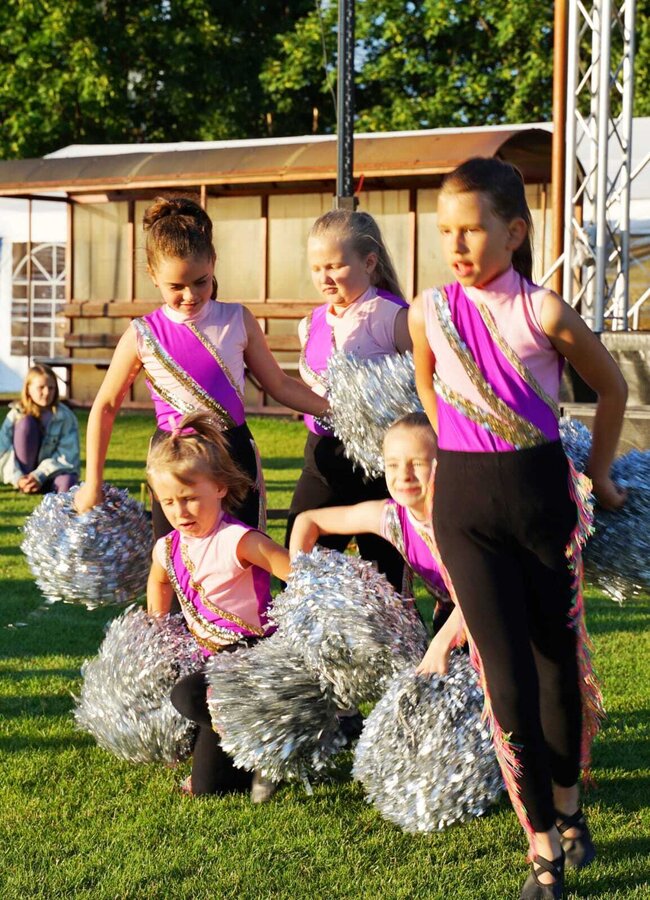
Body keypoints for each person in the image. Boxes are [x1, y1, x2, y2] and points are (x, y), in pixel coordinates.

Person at [409, 157, 627, 900]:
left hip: (541, 507)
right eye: (446, 231)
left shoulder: (544, 312)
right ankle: (542, 847)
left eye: (472, 230)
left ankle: (569, 806)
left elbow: (612, 387)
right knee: (504, 681)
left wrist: (598, 474)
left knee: (554, 667)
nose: (457, 245)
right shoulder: (428, 310)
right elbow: (427, 382)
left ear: (515, 232)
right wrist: (454, 449)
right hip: (464, 513)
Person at [74, 196, 328, 536]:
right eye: (176, 287)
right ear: (152, 275)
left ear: (213, 262)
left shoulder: (237, 319)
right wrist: (93, 483)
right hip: (173, 464)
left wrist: (335, 411)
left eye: (201, 281)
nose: (190, 295)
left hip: (233, 458)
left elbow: (279, 384)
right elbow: (105, 405)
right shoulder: (142, 334)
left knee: (244, 556)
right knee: (176, 561)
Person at [146, 412, 291, 801]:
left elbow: (297, 572)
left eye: (190, 498)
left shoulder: (238, 540)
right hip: (210, 661)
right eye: (169, 502)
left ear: (220, 488)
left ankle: (268, 732)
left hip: (252, 655)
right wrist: (158, 629)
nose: (180, 512)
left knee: (188, 696)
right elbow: (159, 580)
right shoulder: (167, 547)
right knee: (210, 789)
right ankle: (250, 747)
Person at [285, 209, 412, 591]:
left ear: (369, 263)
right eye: (316, 268)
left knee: (387, 577)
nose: (324, 278)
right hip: (324, 457)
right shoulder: (310, 324)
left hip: (382, 464)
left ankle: (398, 630)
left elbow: (425, 387)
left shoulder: (393, 316)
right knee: (301, 572)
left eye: (335, 266)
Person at [289, 412, 453, 627]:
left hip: (483, 615)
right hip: (455, 620)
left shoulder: (460, 520)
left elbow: (480, 594)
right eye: (393, 465)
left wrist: (440, 644)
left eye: (417, 463)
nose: (404, 475)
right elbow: (308, 521)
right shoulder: (393, 517)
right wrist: (301, 583)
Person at [0, 363, 79, 494]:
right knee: (25, 424)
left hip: (52, 474)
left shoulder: (66, 417)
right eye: (41, 387)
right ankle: (26, 484)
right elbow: (3, 451)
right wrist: (18, 478)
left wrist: (39, 475)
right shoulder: (16, 414)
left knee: (68, 482)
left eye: (51, 388)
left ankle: (43, 487)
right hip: (23, 474)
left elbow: (67, 456)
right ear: (28, 389)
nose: (47, 393)